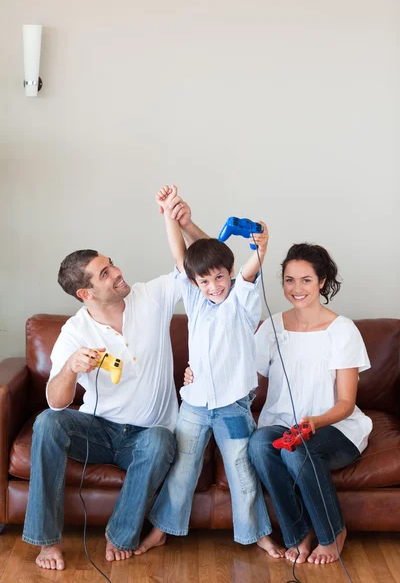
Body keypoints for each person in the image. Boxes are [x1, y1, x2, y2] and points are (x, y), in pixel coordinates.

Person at [22, 192, 205, 571]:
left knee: (159, 440)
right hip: (98, 429)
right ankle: (47, 541)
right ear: (85, 293)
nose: (117, 272)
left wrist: (182, 222)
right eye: (105, 274)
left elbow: (202, 267)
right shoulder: (75, 331)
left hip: (147, 433)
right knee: (47, 422)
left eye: (112, 264)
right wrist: (72, 367)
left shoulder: (149, 297)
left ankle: (119, 535)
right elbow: (56, 402)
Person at [134, 185, 286, 558]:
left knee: (241, 471)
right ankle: (161, 529)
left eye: (219, 278)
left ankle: (257, 534)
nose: (213, 287)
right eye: (204, 281)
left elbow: (248, 270)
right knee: (182, 470)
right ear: (195, 284)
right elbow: (181, 256)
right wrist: (171, 216)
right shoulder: (196, 301)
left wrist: (261, 250)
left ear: (230, 274)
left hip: (233, 404)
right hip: (195, 404)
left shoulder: (241, 301)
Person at [247, 243, 372, 564]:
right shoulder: (272, 327)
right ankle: (298, 534)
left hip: (334, 426)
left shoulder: (342, 331)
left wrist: (313, 423)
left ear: (322, 281)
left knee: (296, 448)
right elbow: (243, 376)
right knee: (261, 444)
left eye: (305, 280)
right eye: (289, 280)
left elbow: (346, 403)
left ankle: (333, 533)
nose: (296, 288)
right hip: (282, 424)